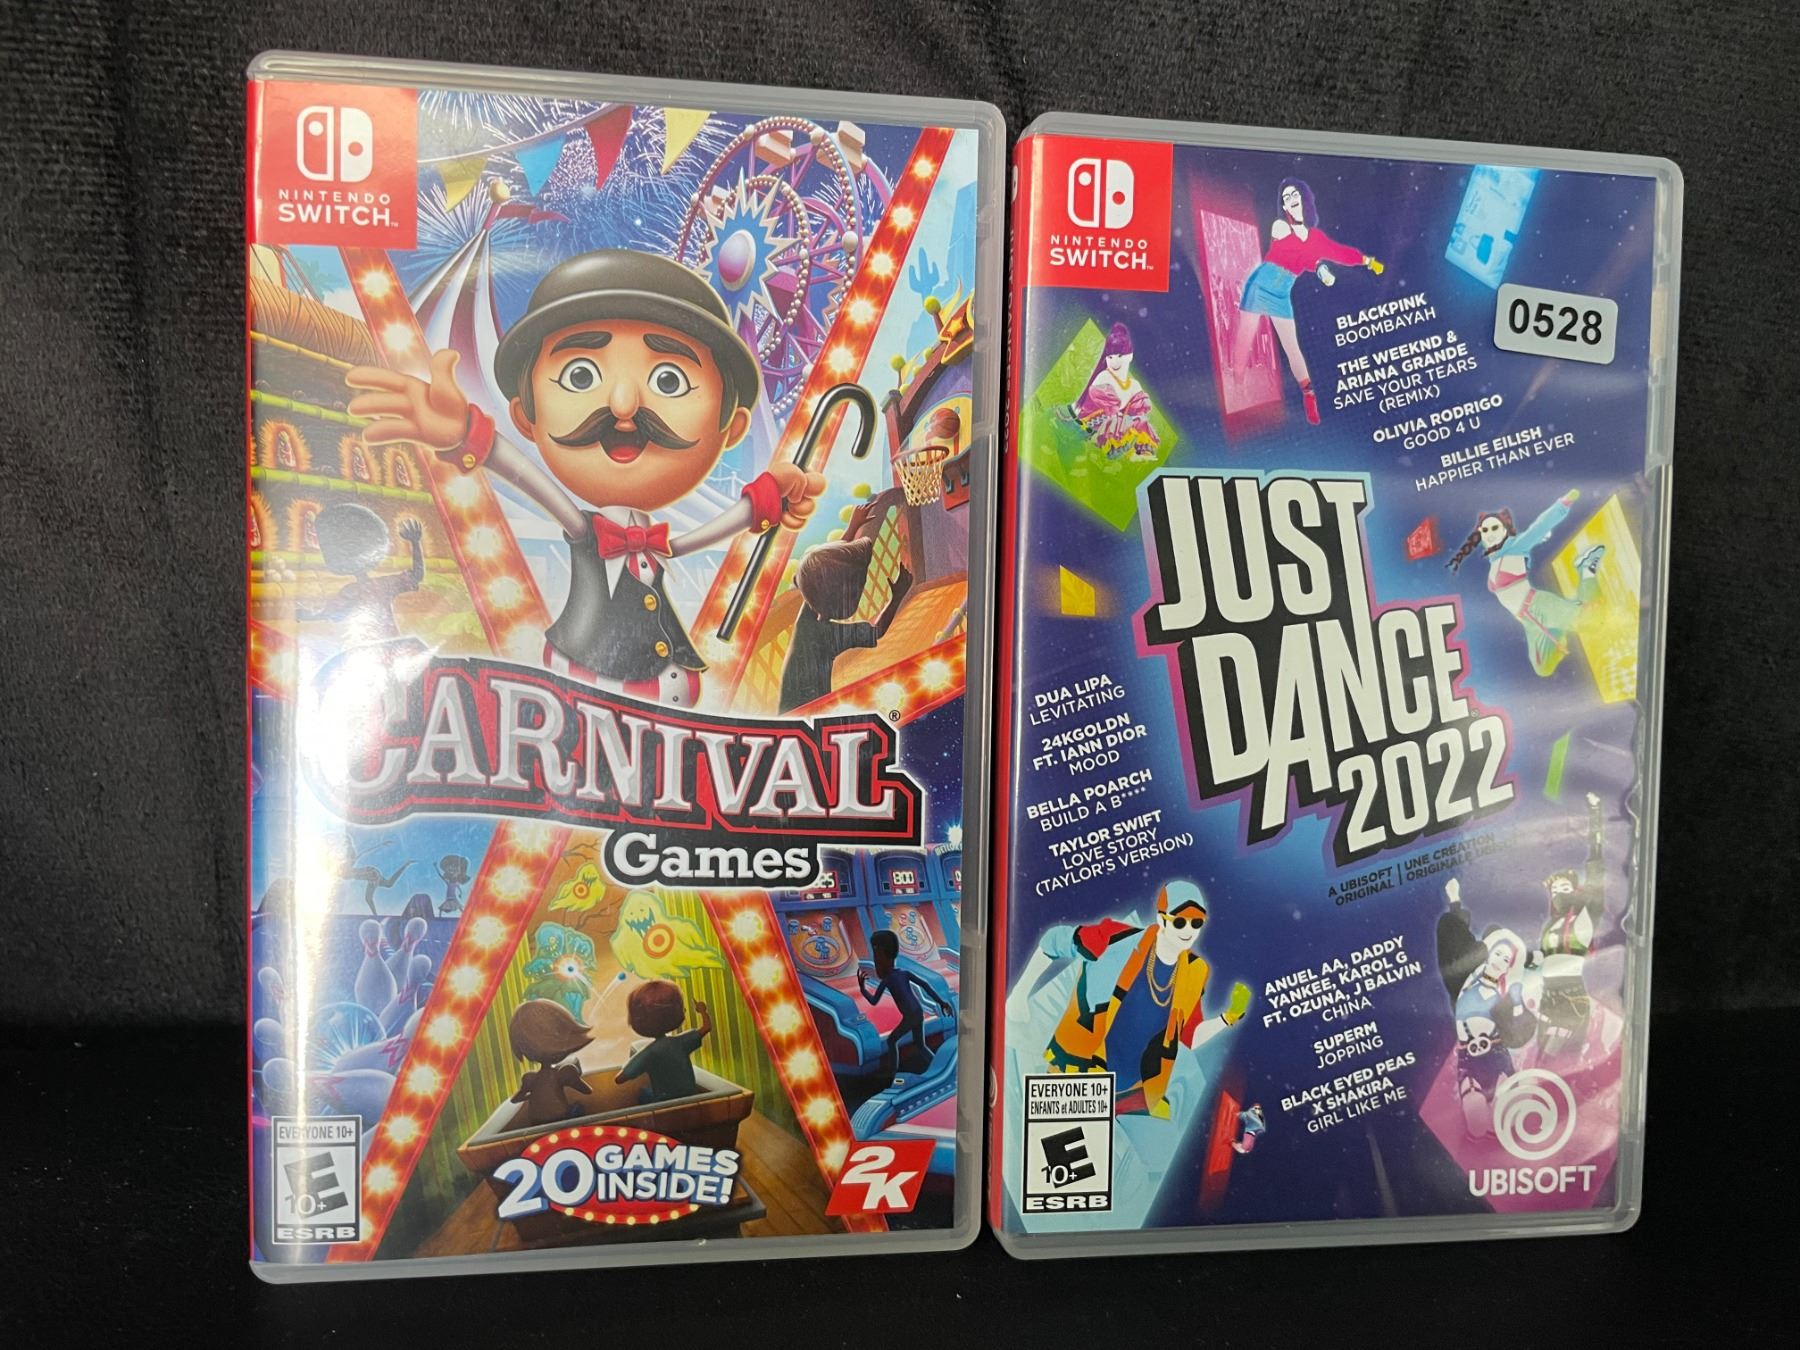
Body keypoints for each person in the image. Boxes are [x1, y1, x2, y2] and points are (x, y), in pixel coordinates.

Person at [345, 249, 828, 708]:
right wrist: (470, 437)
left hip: (666, 687)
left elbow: (690, 542)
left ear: (732, 429)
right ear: (525, 416)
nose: (623, 405)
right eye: (580, 376)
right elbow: (533, 483)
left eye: (669, 380)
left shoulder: (652, 537)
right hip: (591, 674)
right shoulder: (588, 530)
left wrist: (765, 501)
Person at [1042, 881, 1252, 1119]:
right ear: (1162, 919)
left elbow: (1188, 1038)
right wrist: (1017, 998)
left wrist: (1228, 1018)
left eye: (1196, 923)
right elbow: (1053, 941)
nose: (1188, 930)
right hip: (1078, 1073)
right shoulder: (1117, 939)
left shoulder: (1196, 971)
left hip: (1127, 1095)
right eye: (1180, 921)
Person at [1229, 179, 1382, 425]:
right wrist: (1318, 266)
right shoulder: (1280, 226)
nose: (1290, 199)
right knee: (1245, 335)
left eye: (1294, 195)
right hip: (1259, 286)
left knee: (1293, 348)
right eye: (1285, 198)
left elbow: (1340, 253)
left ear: (1304, 198)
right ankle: (1237, 384)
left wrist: (1367, 261)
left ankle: (1309, 397)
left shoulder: (1316, 237)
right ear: (1284, 207)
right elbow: (1297, 253)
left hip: (1281, 294)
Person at [1447, 489, 1606, 677]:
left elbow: (1539, 527)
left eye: (1495, 528)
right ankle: (1562, 624)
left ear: (1504, 530)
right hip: (1528, 619)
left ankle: (1586, 569)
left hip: (1539, 605)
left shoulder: (1515, 547)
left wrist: (1562, 504)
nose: (1489, 533)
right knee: (1543, 667)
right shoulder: (1494, 560)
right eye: (1485, 530)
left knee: (1593, 621)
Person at [779, 536, 912, 712]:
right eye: (856, 590)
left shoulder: (807, 618)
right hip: (811, 715)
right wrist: (896, 598)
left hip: (791, 716)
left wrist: (852, 529)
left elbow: (822, 567)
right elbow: (876, 631)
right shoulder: (828, 636)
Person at [298, 506, 424, 645]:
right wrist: (415, 543)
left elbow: (415, 576)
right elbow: (415, 576)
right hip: (369, 648)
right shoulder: (361, 589)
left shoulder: (372, 587)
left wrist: (416, 543)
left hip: (385, 647)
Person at [860, 928, 954, 1073]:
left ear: (881, 955)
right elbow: (925, 985)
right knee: (920, 1045)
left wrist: (862, 988)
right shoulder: (903, 973)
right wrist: (941, 1002)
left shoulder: (888, 979)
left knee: (892, 1041)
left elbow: (873, 1001)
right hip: (918, 1012)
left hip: (910, 1016)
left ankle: (892, 1075)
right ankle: (939, 1068)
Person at [1071, 323, 1159, 461]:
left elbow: (1139, 415)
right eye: (1110, 357)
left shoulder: (1134, 386)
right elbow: (1111, 414)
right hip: (1084, 428)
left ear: (1130, 356)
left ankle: (1142, 450)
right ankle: (1114, 447)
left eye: (1119, 356)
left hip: (1108, 428)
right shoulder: (1104, 377)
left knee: (1141, 421)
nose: (1114, 362)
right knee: (1117, 419)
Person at [616, 980, 711, 1103]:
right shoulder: (682, 1042)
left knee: (643, 1094)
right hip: (689, 1095)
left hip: (663, 1101)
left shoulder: (649, 1053)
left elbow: (619, 1079)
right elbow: (706, 1027)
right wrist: (703, 1011)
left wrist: (642, 1065)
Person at [508, 999, 594, 1126]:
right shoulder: (564, 1072)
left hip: (536, 1122)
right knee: (579, 1109)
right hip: (562, 1118)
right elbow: (587, 1091)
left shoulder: (530, 1079)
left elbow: (515, 1099)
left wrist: (533, 1096)